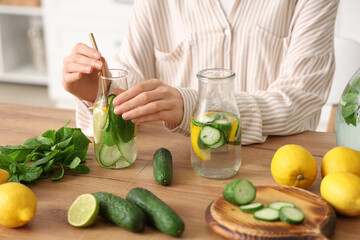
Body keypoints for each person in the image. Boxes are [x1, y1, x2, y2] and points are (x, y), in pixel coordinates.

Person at [62, 0, 339, 145]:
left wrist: (196, 108)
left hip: (277, 166)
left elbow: (300, 101)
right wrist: (99, 95)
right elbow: (133, 79)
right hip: (180, 167)